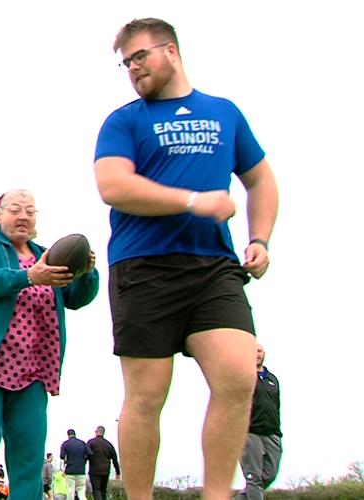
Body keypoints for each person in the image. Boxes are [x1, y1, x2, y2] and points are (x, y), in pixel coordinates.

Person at [93, 17, 279, 499]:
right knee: (147, 395)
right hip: (144, 265)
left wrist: (260, 238)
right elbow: (113, 185)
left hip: (214, 266)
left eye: (140, 57)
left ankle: (217, 494)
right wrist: (194, 201)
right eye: (126, 63)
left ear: (170, 51)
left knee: (239, 376)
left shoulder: (224, 112)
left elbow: (261, 180)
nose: (133, 69)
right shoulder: (125, 120)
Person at [0, 189, 100, 500]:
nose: (23, 215)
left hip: (33, 369)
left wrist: (86, 274)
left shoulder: (45, 255)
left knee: (28, 453)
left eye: (30, 210)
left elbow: (76, 297)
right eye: (15, 209)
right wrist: (29, 277)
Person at [237, 344, 282, 499]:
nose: (256, 354)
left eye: (259, 351)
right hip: (250, 432)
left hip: (272, 433)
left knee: (269, 475)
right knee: (254, 478)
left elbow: (276, 406)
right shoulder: (243, 376)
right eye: (252, 351)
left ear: (264, 354)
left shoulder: (272, 379)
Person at [87, 426, 120, 500]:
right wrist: (117, 472)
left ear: (96, 432)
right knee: (103, 490)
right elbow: (114, 458)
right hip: (105, 471)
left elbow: (86, 455)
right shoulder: (108, 444)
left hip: (94, 471)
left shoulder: (91, 443)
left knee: (96, 490)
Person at [59, 429, 92, 500]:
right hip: (81, 470)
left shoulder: (65, 444)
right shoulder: (82, 443)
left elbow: (62, 456)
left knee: (70, 491)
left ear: (68, 435)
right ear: (75, 434)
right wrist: (84, 460)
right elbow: (89, 453)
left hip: (70, 471)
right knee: (81, 490)